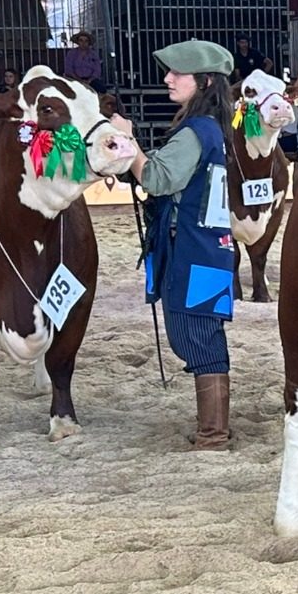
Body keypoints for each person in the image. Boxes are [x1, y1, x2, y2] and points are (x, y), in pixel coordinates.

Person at [107, 39, 237, 451]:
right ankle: (214, 428)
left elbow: (159, 179)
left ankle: (213, 434)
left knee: (193, 333)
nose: (168, 78)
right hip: (212, 247)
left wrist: (128, 145)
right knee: (204, 331)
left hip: (191, 249)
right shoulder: (213, 129)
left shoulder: (195, 132)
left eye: (177, 73)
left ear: (204, 81)